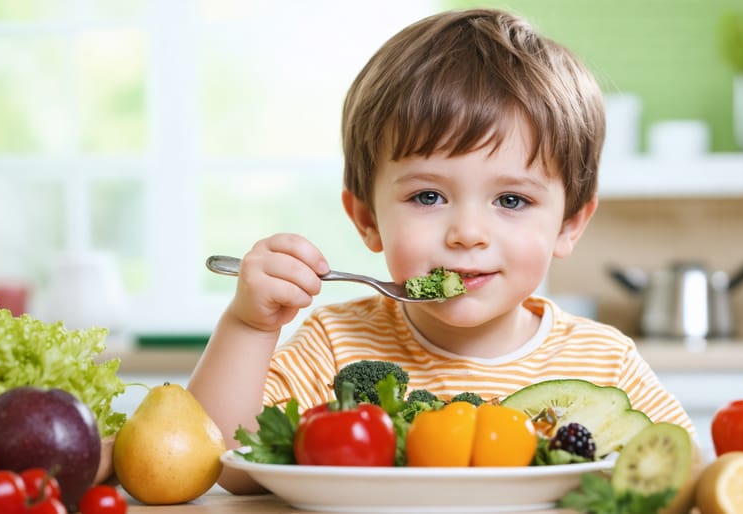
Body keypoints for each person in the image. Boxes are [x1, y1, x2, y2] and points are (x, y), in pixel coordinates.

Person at [188, 8, 695, 493]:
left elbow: (685, 469)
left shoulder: (605, 362)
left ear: (569, 224)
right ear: (367, 218)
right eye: (428, 196)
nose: (468, 233)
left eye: (512, 199)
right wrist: (250, 327)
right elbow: (224, 464)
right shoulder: (335, 345)